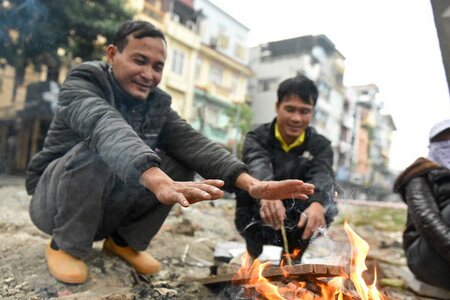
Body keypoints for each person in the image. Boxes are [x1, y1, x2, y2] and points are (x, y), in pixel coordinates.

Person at [25, 20, 315, 284]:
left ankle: (123, 242)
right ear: (112, 54)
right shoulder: (83, 83)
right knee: (99, 150)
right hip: (54, 202)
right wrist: (155, 178)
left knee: (178, 164)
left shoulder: (157, 105)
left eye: (157, 67)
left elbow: (193, 143)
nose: (148, 74)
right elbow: (105, 126)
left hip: (105, 208)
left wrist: (253, 185)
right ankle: (65, 245)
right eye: (140, 61)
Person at [234, 75, 338, 262]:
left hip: (297, 215)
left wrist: (317, 203)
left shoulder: (321, 145)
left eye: (305, 111)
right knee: (245, 189)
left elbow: (322, 173)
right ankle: (253, 253)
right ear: (277, 107)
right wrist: (267, 192)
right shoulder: (257, 137)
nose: (296, 118)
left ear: (312, 112)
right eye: (290, 109)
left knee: (327, 202)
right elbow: (257, 163)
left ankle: (293, 256)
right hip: (262, 212)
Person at [393, 119, 450, 290]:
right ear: (432, 146)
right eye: (443, 141)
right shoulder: (419, 175)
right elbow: (428, 221)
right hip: (426, 255)